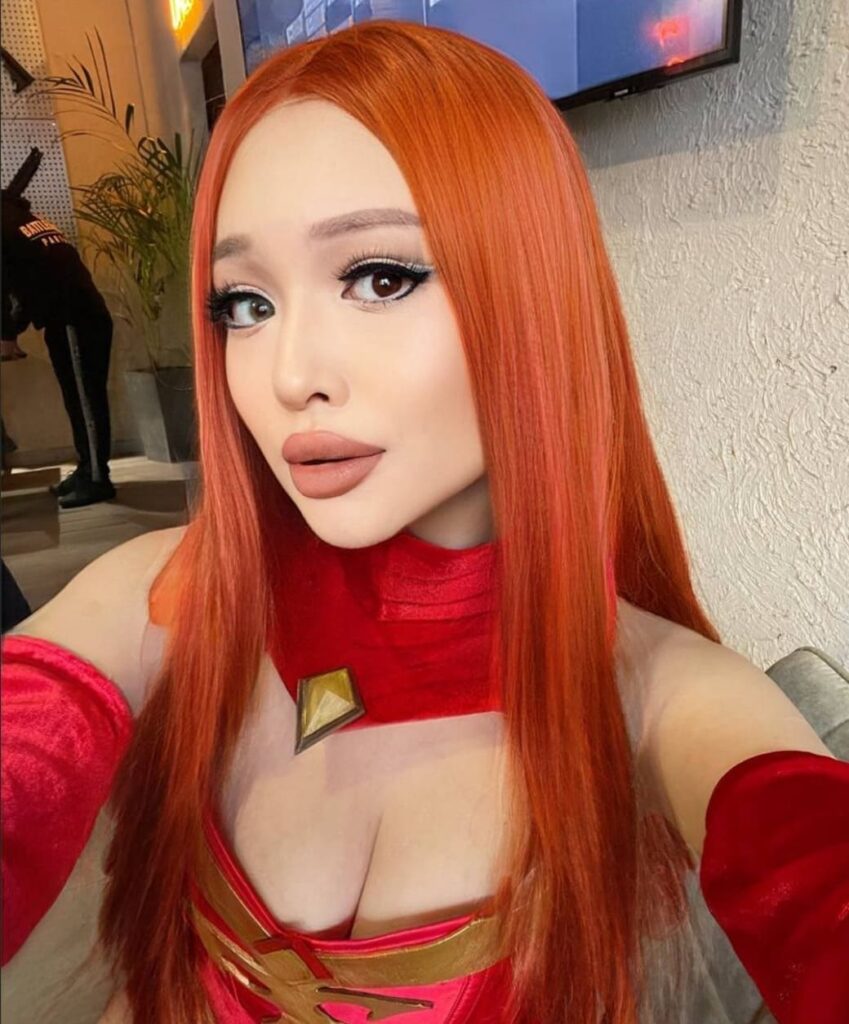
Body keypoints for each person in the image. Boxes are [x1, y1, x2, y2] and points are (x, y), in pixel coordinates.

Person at [1, 21, 847, 1024]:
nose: (289, 376)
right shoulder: (168, 597)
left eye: (379, 277)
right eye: (245, 303)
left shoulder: (660, 691)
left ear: (532, 291)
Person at [1, 191, 116, 508]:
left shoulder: (6, 224)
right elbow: (32, 280)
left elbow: (5, 286)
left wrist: (8, 335)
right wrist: (13, 330)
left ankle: (97, 479)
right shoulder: (20, 219)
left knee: (86, 402)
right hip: (74, 317)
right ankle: (87, 468)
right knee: (80, 400)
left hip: (73, 319)